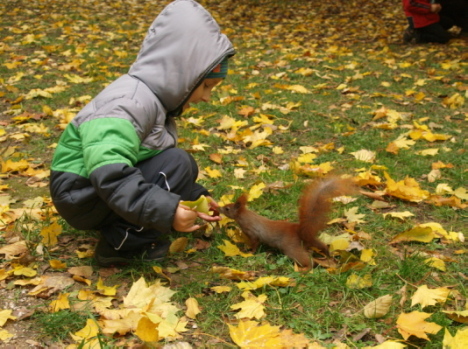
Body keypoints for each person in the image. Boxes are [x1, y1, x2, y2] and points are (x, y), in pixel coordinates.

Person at [49, 0, 235, 267]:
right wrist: (169, 211)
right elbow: (110, 175)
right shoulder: (128, 103)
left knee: (178, 163)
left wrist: (194, 197)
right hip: (80, 194)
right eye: (206, 86)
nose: (207, 97)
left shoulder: (150, 99)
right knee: (177, 163)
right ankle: (121, 246)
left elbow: (147, 163)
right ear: (184, 75)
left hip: (91, 190)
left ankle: (126, 224)